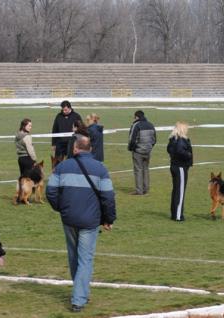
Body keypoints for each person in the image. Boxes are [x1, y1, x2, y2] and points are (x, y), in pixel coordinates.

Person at [46, 135, 116, 313]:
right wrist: (108, 219)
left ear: (75, 149)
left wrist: (61, 208)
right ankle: (79, 298)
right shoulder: (101, 169)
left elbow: (51, 191)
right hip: (90, 221)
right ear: (90, 149)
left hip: (69, 219)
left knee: (73, 256)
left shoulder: (62, 167)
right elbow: (108, 197)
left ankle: (80, 291)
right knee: (86, 259)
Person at [167, 121, 193, 222]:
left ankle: (174, 213)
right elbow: (180, 151)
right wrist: (188, 155)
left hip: (174, 166)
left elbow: (169, 150)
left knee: (176, 191)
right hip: (180, 167)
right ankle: (178, 215)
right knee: (180, 192)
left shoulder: (173, 139)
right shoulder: (181, 140)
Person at [127, 110, 156, 195]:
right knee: (146, 169)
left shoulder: (136, 125)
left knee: (138, 170)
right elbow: (154, 139)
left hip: (138, 151)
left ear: (136, 117)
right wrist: (149, 147)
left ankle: (139, 190)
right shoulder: (151, 125)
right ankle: (146, 189)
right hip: (148, 151)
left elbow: (132, 139)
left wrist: (131, 148)